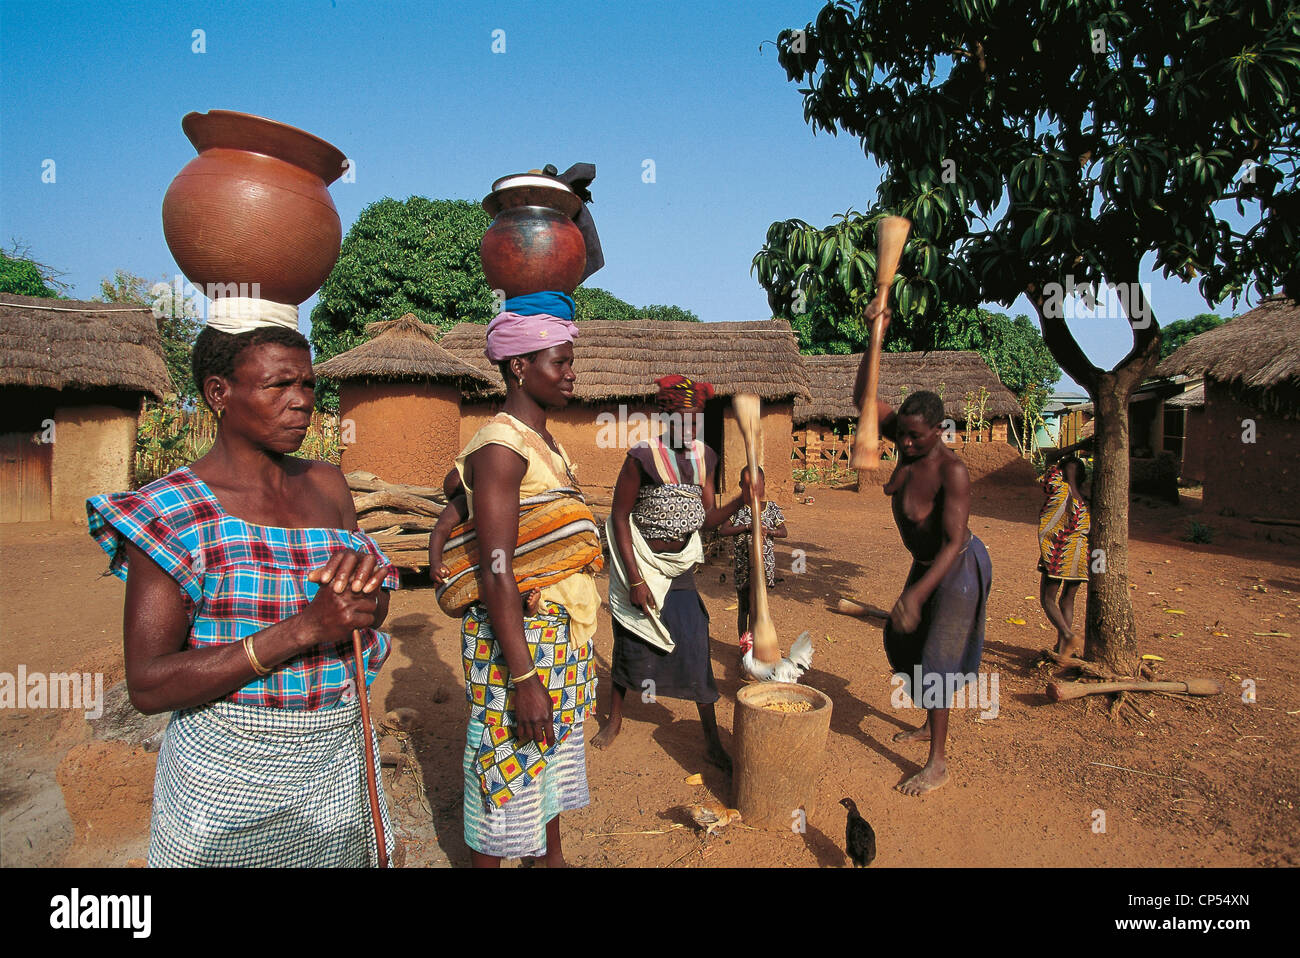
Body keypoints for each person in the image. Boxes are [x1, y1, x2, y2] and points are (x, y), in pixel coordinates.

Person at [86, 320, 400, 866]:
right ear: (219, 393)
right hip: (227, 780)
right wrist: (303, 629)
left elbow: (366, 610)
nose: (302, 402)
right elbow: (149, 684)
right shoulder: (172, 511)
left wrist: (363, 599)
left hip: (338, 761)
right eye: (279, 385)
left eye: (307, 385)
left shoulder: (328, 487)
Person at [448, 295, 601, 868]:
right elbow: (497, 569)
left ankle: (549, 860)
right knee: (505, 777)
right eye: (558, 362)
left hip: (557, 640)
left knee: (548, 765)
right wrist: (524, 677)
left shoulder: (546, 446)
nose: (570, 373)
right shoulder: (501, 447)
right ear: (519, 366)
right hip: (521, 644)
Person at [592, 375, 746, 772]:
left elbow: (707, 519)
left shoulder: (706, 458)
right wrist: (636, 579)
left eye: (695, 419)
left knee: (694, 640)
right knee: (632, 639)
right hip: (642, 561)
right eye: (680, 417)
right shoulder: (641, 458)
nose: (688, 426)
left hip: (680, 568)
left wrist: (743, 499)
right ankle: (615, 719)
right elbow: (619, 517)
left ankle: (711, 739)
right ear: (663, 415)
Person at [856, 353, 992, 797]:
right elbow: (864, 399)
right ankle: (928, 720)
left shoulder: (952, 472)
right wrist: (872, 337)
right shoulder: (905, 436)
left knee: (938, 661)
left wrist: (916, 596)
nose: (906, 444)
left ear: (938, 431)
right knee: (903, 641)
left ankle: (937, 763)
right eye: (903, 436)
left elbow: (953, 543)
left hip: (958, 567)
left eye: (916, 437)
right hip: (927, 564)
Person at [717, 465, 788, 639]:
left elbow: (784, 532)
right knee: (744, 607)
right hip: (743, 567)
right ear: (741, 485)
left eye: (758, 484)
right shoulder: (737, 509)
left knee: (759, 606)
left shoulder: (771, 508)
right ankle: (745, 645)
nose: (753, 489)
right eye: (748, 485)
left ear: (764, 483)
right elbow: (723, 530)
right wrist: (747, 527)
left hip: (764, 566)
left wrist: (769, 531)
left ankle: (758, 643)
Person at [1037, 452, 1091, 658]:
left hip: (1058, 555)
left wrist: (1076, 447)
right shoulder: (1087, 501)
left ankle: (1067, 635)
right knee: (1067, 601)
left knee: (1048, 599)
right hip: (1080, 557)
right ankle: (1063, 649)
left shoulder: (1059, 490)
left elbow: (1050, 459)